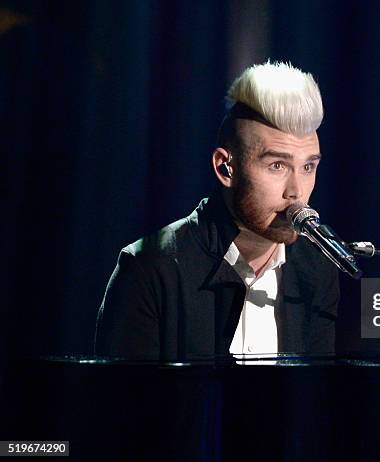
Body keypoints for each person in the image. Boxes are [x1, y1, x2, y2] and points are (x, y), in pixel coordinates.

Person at [94, 61, 339, 360]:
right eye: (277, 165)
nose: (296, 191)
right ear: (226, 168)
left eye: (308, 166)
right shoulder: (150, 267)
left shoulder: (318, 270)